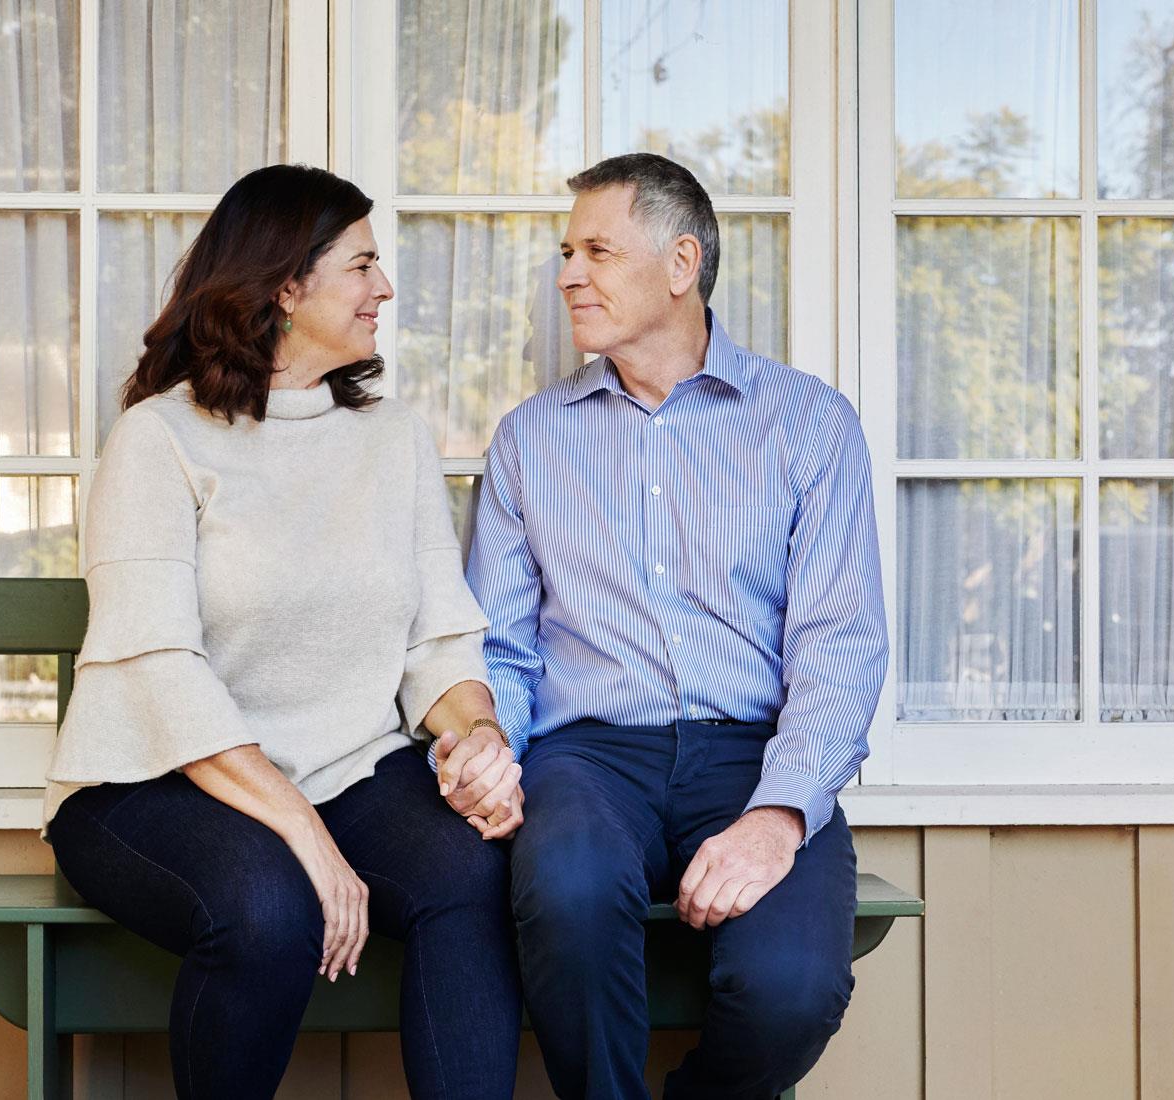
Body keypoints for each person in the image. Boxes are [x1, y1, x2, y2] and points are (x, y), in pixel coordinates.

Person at [44, 164, 523, 1100]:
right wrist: (304, 835)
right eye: (363, 266)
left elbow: (438, 641)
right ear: (286, 288)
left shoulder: (393, 437)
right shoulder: (160, 437)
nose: (385, 288)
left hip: (348, 769)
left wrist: (477, 739)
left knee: (472, 877)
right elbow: (162, 670)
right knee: (269, 911)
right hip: (156, 778)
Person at [452, 152, 889, 1100]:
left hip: (753, 755)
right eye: (566, 253)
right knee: (567, 898)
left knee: (791, 990)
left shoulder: (808, 425)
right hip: (588, 760)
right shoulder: (531, 438)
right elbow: (502, 647)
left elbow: (840, 643)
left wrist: (780, 814)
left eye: (597, 251)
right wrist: (491, 741)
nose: (569, 274)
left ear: (682, 263)